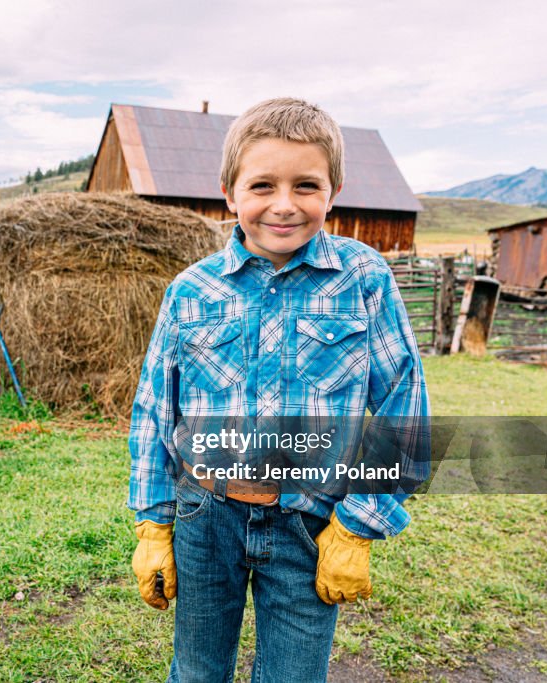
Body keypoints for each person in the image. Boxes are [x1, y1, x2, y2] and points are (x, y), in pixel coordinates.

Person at [128, 97, 430, 682]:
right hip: (204, 515)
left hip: (311, 522)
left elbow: (404, 406)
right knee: (195, 671)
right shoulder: (191, 291)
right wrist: (153, 522)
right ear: (230, 191)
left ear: (333, 191)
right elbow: (152, 411)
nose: (284, 205)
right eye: (263, 185)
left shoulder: (363, 279)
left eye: (307, 186)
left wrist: (358, 524)